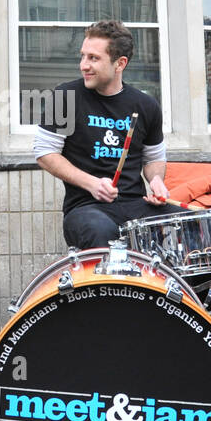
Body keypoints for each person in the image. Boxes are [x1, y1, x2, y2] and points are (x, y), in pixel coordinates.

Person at [34, 20, 172, 249]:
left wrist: (156, 181)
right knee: (103, 232)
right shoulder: (64, 96)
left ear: (120, 64)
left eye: (93, 58)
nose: (83, 65)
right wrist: (92, 184)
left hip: (136, 205)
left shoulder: (146, 105)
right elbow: (45, 152)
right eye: (83, 56)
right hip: (85, 208)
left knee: (192, 229)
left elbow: (154, 158)